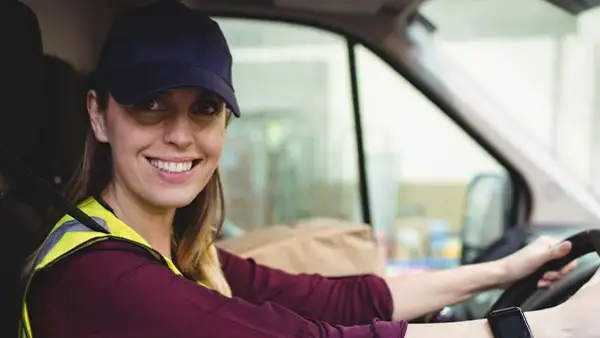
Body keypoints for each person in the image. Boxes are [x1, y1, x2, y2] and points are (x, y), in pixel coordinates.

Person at [20, 1, 600, 337]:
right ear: (99, 115)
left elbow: (335, 302)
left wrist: (501, 273)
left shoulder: (177, 252)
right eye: (150, 104)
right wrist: (557, 327)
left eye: (205, 108)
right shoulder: (98, 278)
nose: (180, 133)